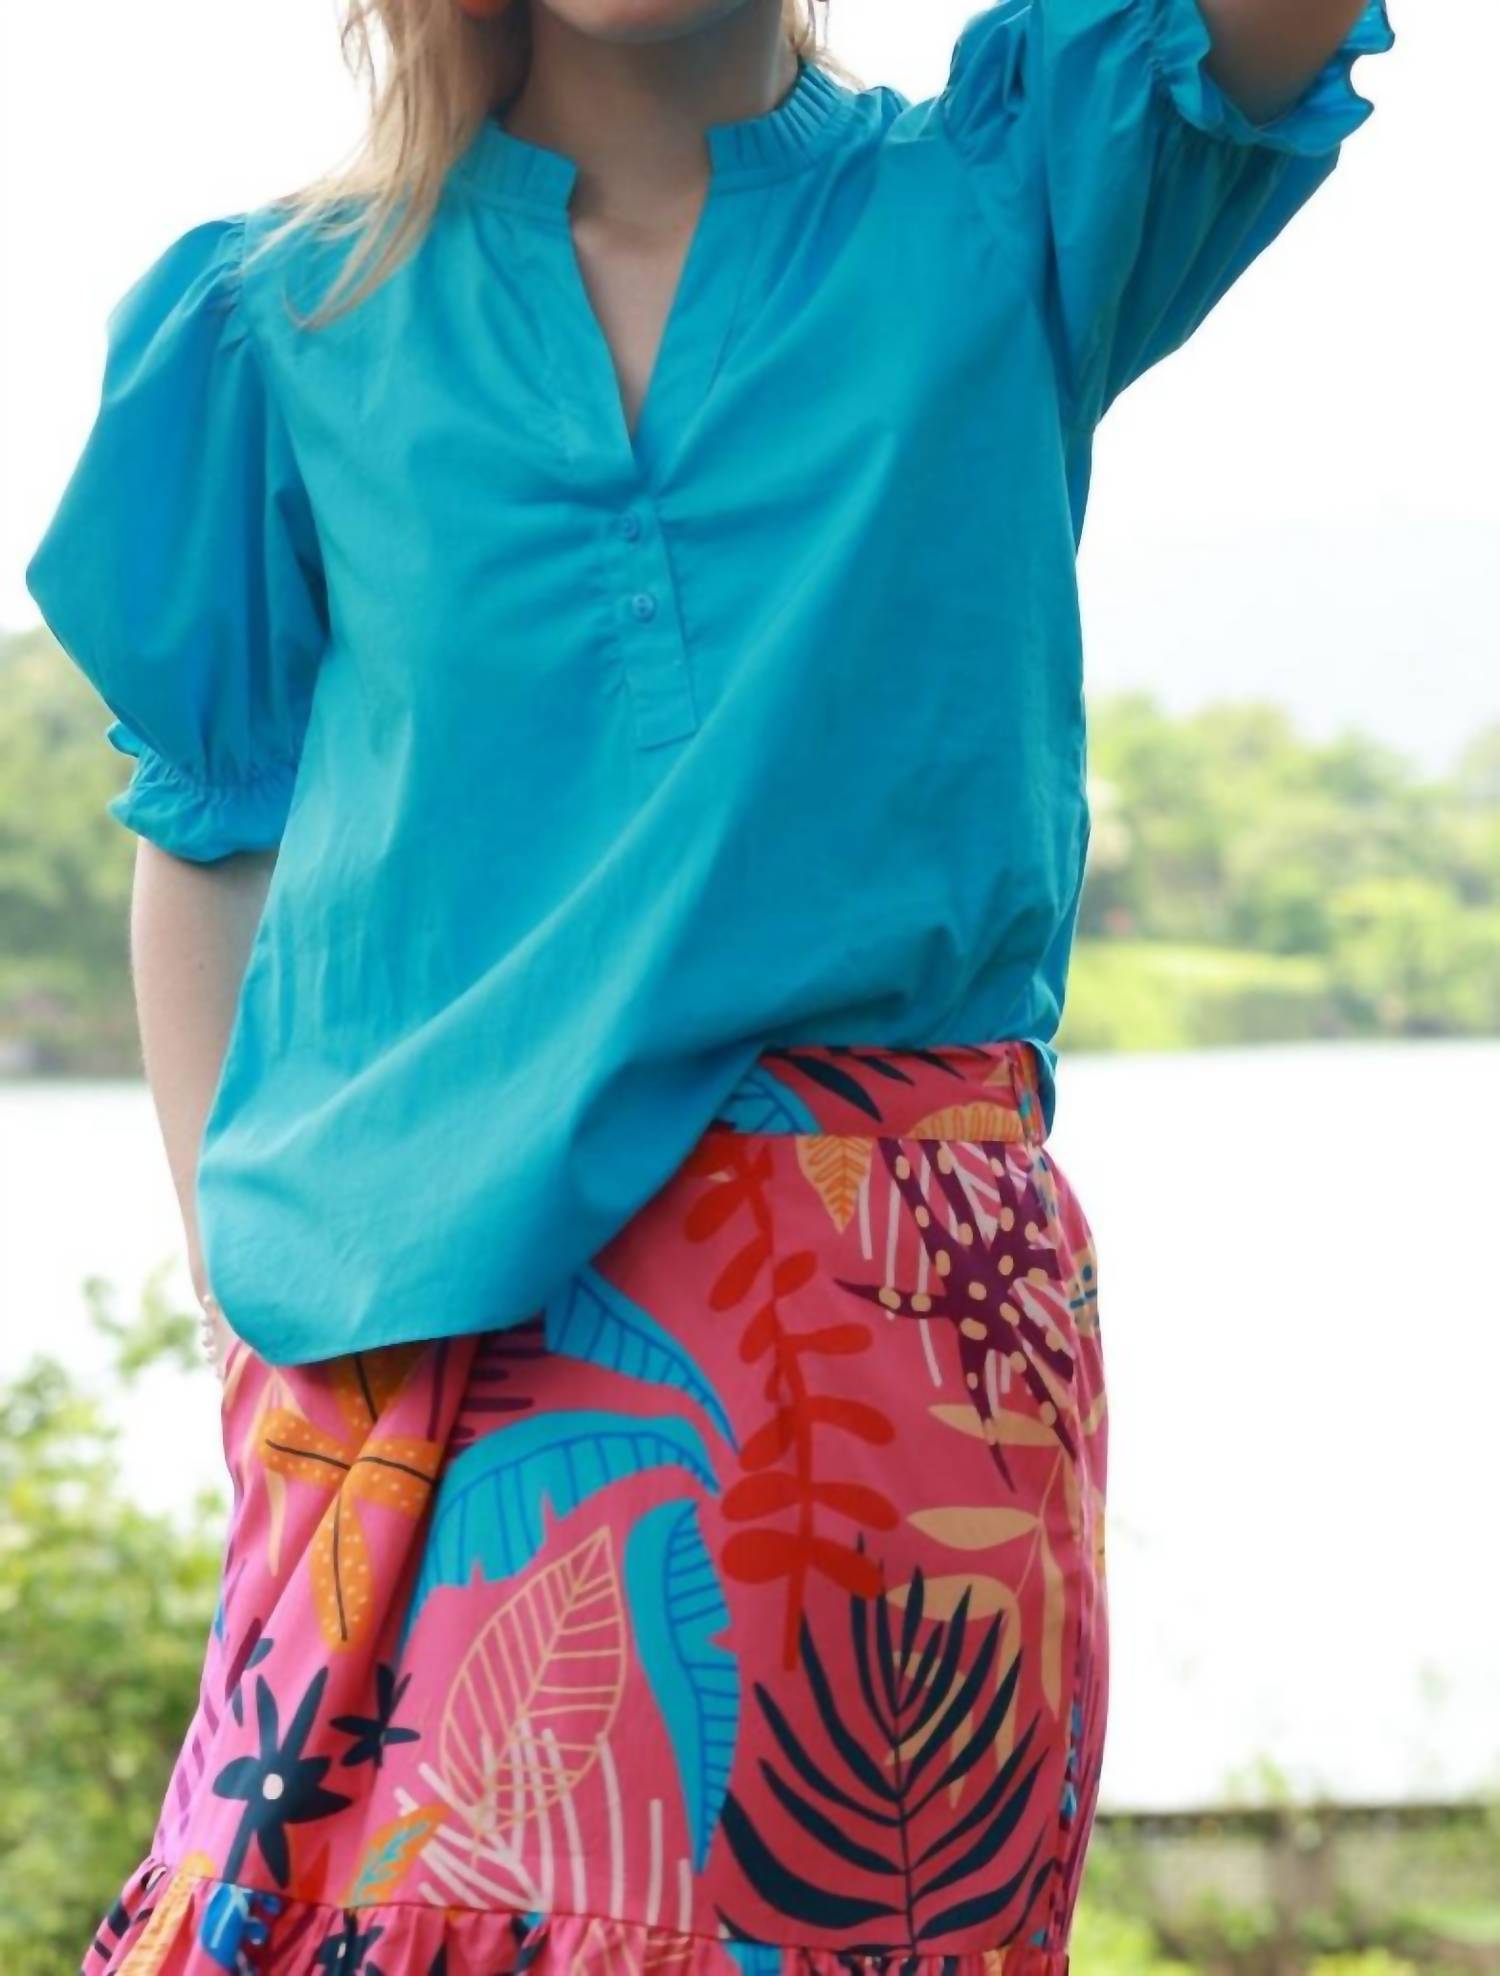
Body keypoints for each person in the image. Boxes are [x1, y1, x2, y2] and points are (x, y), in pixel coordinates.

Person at [25, 0, 1392, 1967]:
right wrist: (247, 1316)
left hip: (885, 1369)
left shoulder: (1011, 196)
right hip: (410, 1363)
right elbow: (210, 823)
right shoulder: (285, 321)